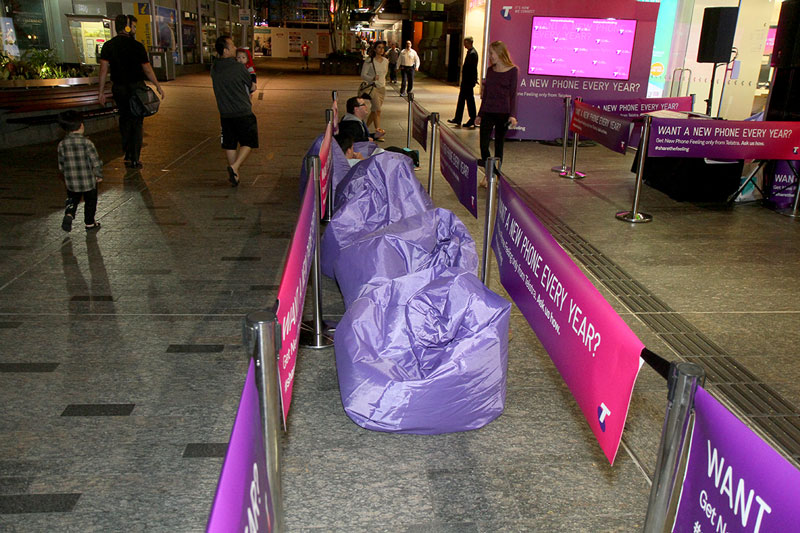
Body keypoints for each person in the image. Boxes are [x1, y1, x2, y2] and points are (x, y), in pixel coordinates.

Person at [98, 14, 165, 169]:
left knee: (125, 119)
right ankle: (134, 157)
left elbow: (103, 70)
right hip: (136, 89)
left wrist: (100, 91)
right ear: (128, 27)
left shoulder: (108, 46)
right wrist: (157, 85)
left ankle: (128, 153)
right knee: (137, 121)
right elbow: (147, 69)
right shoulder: (137, 46)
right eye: (132, 26)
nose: (133, 29)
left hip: (119, 89)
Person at [211, 35, 258, 187]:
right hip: (242, 111)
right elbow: (250, 84)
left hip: (225, 113)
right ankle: (235, 166)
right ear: (225, 51)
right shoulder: (238, 67)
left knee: (230, 143)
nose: (235, 48)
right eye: (232, 46)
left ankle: (235, 175)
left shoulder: (214, 68)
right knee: (248, 141)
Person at [476, 40, 518, 187]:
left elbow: (513, 95)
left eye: (491, 53)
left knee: (499, 145)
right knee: (483, 145)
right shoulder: (490, 70)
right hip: (488, 111)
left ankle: (493, 175)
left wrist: (512, 115)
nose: (490, 56)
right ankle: (491, 174)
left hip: (503, 113)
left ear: (500, 53)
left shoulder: (513, 71)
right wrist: (479, 114)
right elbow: (485, 94)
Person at [57, 111, 103, 232]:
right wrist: (98, 174)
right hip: (88, 181)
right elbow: (95, 161)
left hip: (72, 181)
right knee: (90, 202)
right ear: (81, 126)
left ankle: (69, 214)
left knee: (72, 199)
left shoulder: (62, 144)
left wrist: (64, 175)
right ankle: (89, 223)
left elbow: (61, 164)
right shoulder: (87, 143)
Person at [448, 37, 479, 128]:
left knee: (469, 100)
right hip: (467, 81)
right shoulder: (470, 52)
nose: (464, 45)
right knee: (462, 99)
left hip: (468, 82)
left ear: (470, 43)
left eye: (465, 43)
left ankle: (472, 118)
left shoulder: (473, 54)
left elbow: (472, 69)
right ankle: (458, 118)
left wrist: (473, 80)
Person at [360, 41, 388, 139]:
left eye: (383, 48)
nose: (381, 49)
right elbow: (363, 75)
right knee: (378, 110)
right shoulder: (369, 61)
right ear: (375, 49)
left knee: (374, 111)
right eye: (379, 47)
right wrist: (372, 78)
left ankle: (364, 129)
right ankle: (378, 133)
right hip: (373, 87)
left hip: (382, 88)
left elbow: (385, 74)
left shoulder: (385, 61)